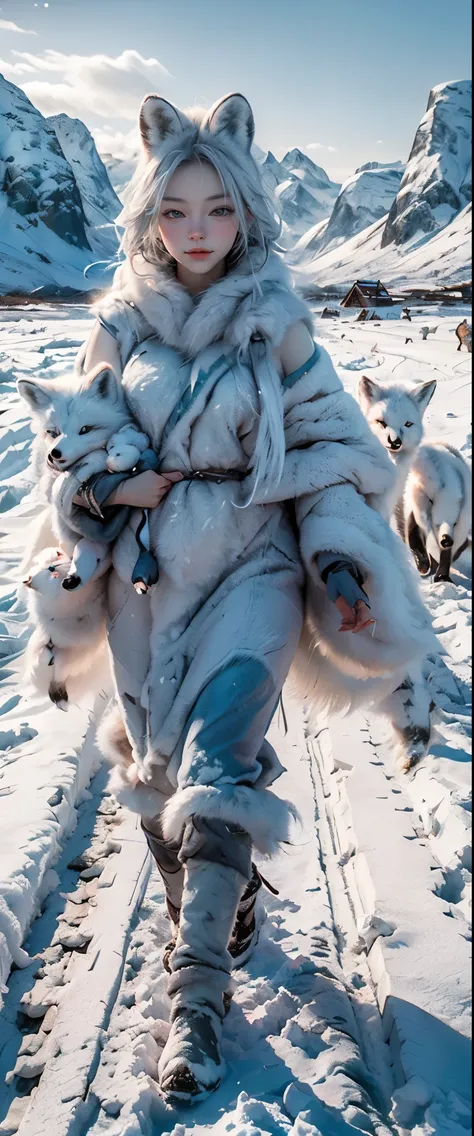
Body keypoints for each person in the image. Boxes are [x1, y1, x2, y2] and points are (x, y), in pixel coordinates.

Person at [45, 92, 433, 1103]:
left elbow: (339, 451)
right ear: (148, 214)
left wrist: (338, 560)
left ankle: (198, 1006)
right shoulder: (116, 329)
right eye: (177, 211)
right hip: (146, 581)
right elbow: (72, 454)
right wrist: (107, 490)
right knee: (164, 781)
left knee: (219, 763)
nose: (199, 231)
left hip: (255, 565)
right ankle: (217, 898)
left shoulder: (281, 327)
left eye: (219, 209)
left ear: (248, 210)